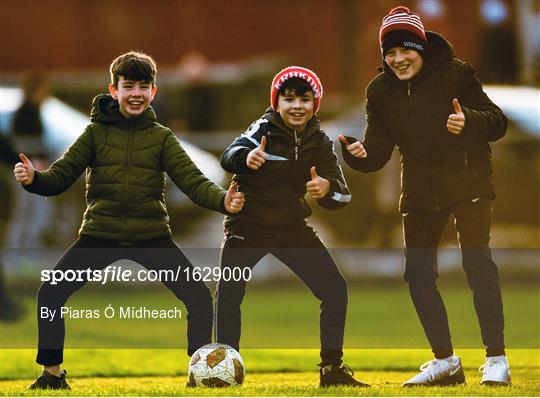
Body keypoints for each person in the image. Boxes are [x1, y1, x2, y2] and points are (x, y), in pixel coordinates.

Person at [13, 51, 245, 390]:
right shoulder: (94, 134)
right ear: (113, 90)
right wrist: (34, 178)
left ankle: (200, 372)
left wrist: (224, 200)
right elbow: (60, 177)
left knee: (197, 295)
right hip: (100, 232)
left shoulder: (162, 137)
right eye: (128, 86)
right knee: (50, 294)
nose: (136, 93)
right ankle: (52, 376)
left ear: (153, 92)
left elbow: (193, 181)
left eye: (143, 86)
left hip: (150, 233)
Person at [338, 6, 509, 387]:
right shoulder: (379, 91)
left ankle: (496, 359)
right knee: (417, 274)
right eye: (389, 53)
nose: (398, 59)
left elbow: (496, 120)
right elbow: (379, 151)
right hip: (419, 190)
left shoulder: (457, 74)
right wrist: (360, 157)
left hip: (468, 182)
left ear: (421, 48)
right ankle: (446, 363)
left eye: (405, 50)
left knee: (477, 265)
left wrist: (469, 121)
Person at [216, 66, 368, 388]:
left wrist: (327, 189)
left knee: (335, 289)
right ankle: (224, 370)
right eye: (288, 99)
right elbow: (229, 154)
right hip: (248, 226)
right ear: (276, 103)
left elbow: (343, 194)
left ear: (315, 104)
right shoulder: (263, 128)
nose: (297, 105)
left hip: (290, 227)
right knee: (229, 293)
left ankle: (331, 371)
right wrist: (246, 158)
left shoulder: (320, 141)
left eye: (305, 98)